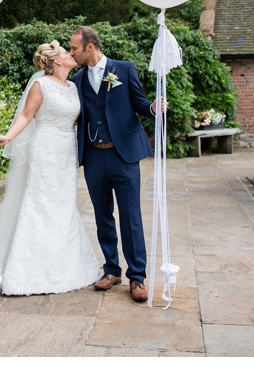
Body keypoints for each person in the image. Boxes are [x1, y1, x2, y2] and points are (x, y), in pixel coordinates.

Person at [0, 41, 99, 296]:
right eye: (66, 52)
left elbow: (78, 119)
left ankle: (65, 265)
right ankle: (27, 272)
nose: (70, 53)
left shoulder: (74, 87)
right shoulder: (40, 85)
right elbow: (26, 115)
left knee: (64, 206)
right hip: (44, 150)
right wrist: (8, 137)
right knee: (40, 204)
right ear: (57, 61)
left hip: (67, 153)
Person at [70, 25, 160, 303]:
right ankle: (111, 270)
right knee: (102, 215)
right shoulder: (77, 79)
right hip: (94, 156)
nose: (71, 52)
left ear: (90, 46)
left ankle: (137, 277)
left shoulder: (124, 68)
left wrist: (154, 109)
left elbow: (140, 103)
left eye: (74, 47)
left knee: (131, 216)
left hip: (124, 155)